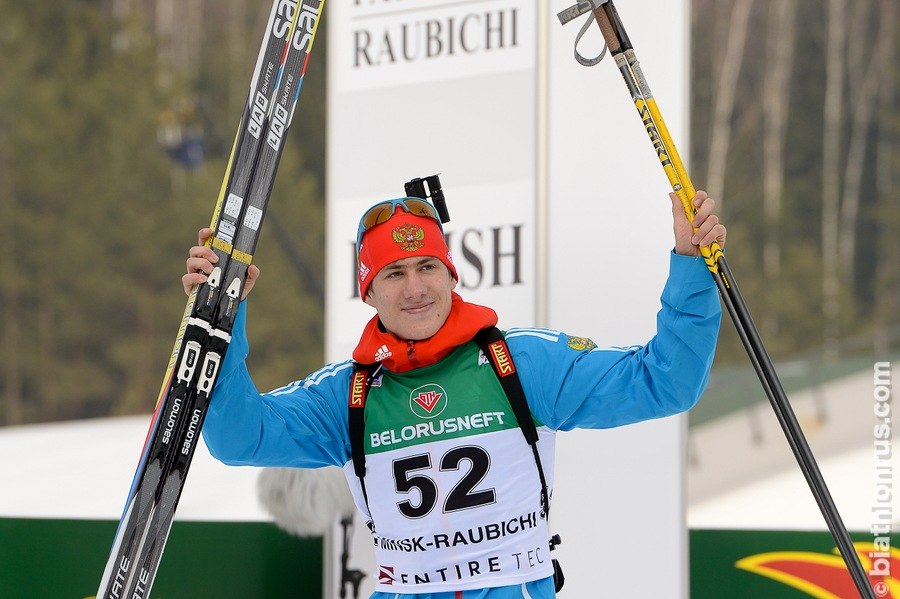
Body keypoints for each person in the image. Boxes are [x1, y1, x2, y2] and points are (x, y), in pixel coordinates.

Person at [188, 189, 725, 598]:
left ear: (451, 275)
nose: (415, 288)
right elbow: (239, 437)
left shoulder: (523, 364)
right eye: (394, 273)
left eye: (427, 267)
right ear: (368, 290)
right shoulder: (347, 394)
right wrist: (221, 319)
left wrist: (690, 263)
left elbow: (666, 381)